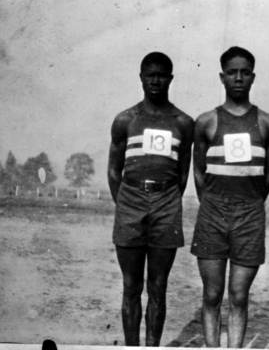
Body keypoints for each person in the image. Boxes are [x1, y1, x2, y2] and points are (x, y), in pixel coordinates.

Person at [191, 46, 269, 348]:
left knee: (239, 295)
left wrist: (251, 201)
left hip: (250, 214)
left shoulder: (268, 123)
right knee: (212, 294)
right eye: (232, 73)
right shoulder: (206, 121)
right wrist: (215, 202)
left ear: (253, 77)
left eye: (244, 73)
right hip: (213, 213)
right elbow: (199, 173)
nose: (238, 78)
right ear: (222, 77)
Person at [107, 52, 194, 346]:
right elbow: (113, 169)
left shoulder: (183, 122)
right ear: (141, 77)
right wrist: (127, 203)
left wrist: (163, 199)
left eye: (161, 75)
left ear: (170, 78)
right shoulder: (125, 120)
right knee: (131, 286)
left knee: (158, 286)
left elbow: (182, 173)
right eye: (150, 75)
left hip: (166, 204)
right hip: (130, 201)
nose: (155, 80)